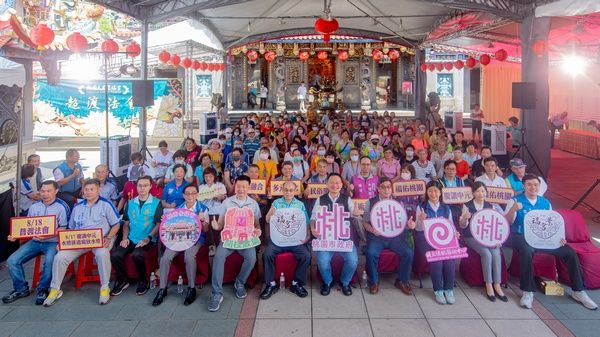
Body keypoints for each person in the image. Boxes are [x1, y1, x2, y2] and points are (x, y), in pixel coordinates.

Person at [505, 174, 597, 310]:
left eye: (535, 184)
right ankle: (527, 291)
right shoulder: (514, 200)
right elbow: (507, 222)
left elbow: (552, 224)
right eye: (529, 184)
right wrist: (513, 210)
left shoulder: (545, 202)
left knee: (569, 252)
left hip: (543, 239)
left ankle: (578, 291)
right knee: (527, 250)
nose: (533, 187)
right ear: (524, 186)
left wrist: (559, 237)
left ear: (539, 186)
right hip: (521, 236)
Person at [43, 179, 121, 306]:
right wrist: (64, 243)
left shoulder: (106, 204)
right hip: (80, 240)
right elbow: (71, 228)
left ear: (98, 190)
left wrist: (108, 238)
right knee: (60, 257)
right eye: (86, 189)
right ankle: (55, 289)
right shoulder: (78, 207)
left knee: (102, 254)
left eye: (92, 189)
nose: (88, 192)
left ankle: (105, 287)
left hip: (101, 239)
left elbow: (116, 224)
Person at [3, 181, 69, 305]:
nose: (45, 194)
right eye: (42, 191)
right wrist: (16, 236)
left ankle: (43, 289)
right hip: (35, 241)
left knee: (49, 261)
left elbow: (64, 227)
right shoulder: (34, 206)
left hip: (52, 242)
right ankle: (21, 288)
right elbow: (28, 227)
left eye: (49, 191)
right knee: (12, 260)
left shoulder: (62, 206)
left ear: (56, 191)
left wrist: (49, 233)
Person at [208, 175, 261, 312]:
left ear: (249, 188)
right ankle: (217, 293)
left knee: (252, 258)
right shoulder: (227, 202)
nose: (241, 189)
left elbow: (256, 224)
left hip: (245, 241)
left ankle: (240, 282)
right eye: (238, 186)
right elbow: (220, 224)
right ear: (234, 186)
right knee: (219, 257)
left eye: (244, 187)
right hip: (229, 240)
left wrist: (258, 231)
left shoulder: (253, 204)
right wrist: (215, 226)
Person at [153, 184, 208, 307]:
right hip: (178, 239)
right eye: (187, 193)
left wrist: (203, 220)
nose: (190, 196)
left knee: (189, 256)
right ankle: (162, 289)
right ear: (183, 195)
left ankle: (191, 288)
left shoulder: (203, 208)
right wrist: (165, 221)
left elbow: (205, 229)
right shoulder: (178, 210)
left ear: (197, 194)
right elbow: (169, 228)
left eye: (193, 193)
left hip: (195, 239)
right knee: (165, 258)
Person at [110, 176, 162, 297]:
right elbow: (126, 223)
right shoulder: (130, 203)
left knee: (138, 255)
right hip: (131, 237)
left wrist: (148, 238)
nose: (142, 188)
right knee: (116, 255)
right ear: (136, 187)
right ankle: (123, 280)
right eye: (140, 185)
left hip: (148, 238)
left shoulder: (156, 203)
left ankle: (143, 281)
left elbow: (158, 224)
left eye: (145, 185)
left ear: (150, 187)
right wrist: (124, 237)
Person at [363, 178, 415, 295]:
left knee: (408, 253)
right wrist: (372, 230)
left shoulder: (399, 202)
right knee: (371, 253)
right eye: (383, 187)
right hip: (377, 237)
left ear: (391, 189)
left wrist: (409, 224)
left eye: (389, 187)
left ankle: (402, 280)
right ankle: (374, 281)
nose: (386, 190)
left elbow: (403, 223)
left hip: (395, 237)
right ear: (378, 189)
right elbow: (365, 222)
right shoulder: (370, 202)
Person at [260, 181, 311, 300]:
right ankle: (270, 284)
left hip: (294, 239)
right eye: (286, 190)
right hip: (279, 239)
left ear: (295, 191)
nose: (288, 192)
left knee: (306, 256)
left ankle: (296, 283)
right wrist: (269, 215)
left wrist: (307, 237)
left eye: (291, 190)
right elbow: (267, 220)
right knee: (267, 254)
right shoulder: (276, 203)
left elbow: (307, 222)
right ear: (282, 191)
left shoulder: (300, 205)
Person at [311, 173, 359, 296]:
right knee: (322, 260)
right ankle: (327, 282)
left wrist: (357, 213)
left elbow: (354, 213)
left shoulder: (347, 199)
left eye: (337, 182)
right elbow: (313, 218)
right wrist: (313, 228)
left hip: (343, 237)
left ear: (341, 185)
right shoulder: (320, 199)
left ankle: (345, 282)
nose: (335, 185)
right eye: (332, 182)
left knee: (353, 260)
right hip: (326, 237)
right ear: (327, 184)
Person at [458, 182, 507, 302]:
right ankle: (488, 284)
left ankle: (497, 284)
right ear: (473, 193)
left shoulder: (490, 206)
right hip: (472, 238)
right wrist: (465, 218)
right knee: (486, 253)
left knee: (496, 253)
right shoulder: (467, 206)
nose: (481, 194)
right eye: (478, 191)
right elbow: (462, 226)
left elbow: (496, 225)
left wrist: (498, 239)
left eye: (483, 191)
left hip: (488, 238)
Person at [414, 181, 457, 305]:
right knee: (437, 259)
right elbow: (417, 229)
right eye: (430, 191)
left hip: (444, 241)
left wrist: (455, 233)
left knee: (450, 259)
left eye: (436, 191)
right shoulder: (421, 207)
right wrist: (421, 220)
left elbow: (451, 226)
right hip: (426, 240)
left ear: (440, 192)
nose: (433, 193)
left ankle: (449, 289)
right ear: (427, 192)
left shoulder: (446, 207)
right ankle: (438, 290)